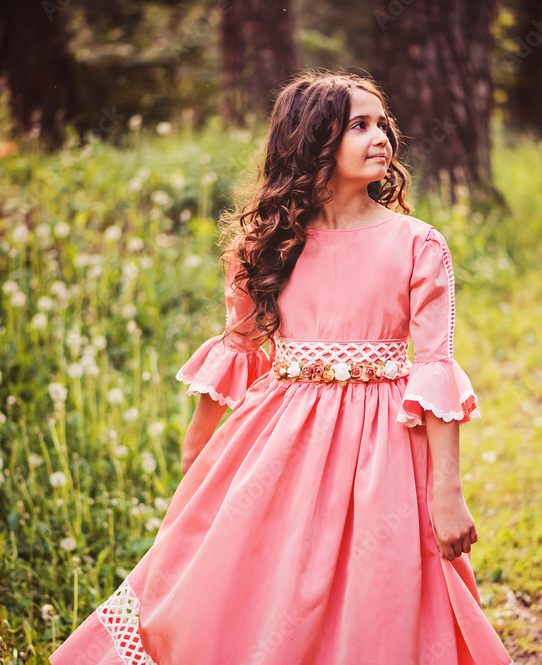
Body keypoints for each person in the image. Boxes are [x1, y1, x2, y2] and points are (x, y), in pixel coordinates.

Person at [49, 70, 514, 665]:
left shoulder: (417, 245)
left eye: (383, 125)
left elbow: (436, 371)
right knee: (258, 581)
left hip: (385, 454)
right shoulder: (266, 244)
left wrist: (447, 492)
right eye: (359, 126)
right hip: (280, 442)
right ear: (313, 139)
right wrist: (199, 448)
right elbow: (239, 347)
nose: (381, 139)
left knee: (378, 584)